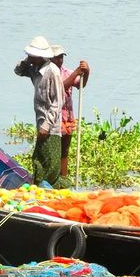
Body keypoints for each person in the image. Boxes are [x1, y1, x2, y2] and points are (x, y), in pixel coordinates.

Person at [14, 36, 64, 187]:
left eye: (32, 55)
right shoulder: (35, 69)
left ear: (39, 56)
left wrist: (47, 125)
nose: (29, 57)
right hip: (40, 122)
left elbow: (58, 101)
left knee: (50, 163)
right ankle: (39, 187)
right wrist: (26, 61)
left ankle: (51, 191)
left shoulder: (52, 71)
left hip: (51, 126)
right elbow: (18, 71)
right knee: (39, 159)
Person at [49, 44, 91, 179]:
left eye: (61, 57)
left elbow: (81, 84)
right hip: (54, 117)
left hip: (67, 116)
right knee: (52, 150)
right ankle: (52, 178)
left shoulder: (66, 71)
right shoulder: (48, 73)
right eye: (57, 57)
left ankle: (63, 178)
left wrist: (87, 72)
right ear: (50, 58)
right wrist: (76, 73)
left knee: (64, 151)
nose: (60, 60)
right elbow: (60, 87)